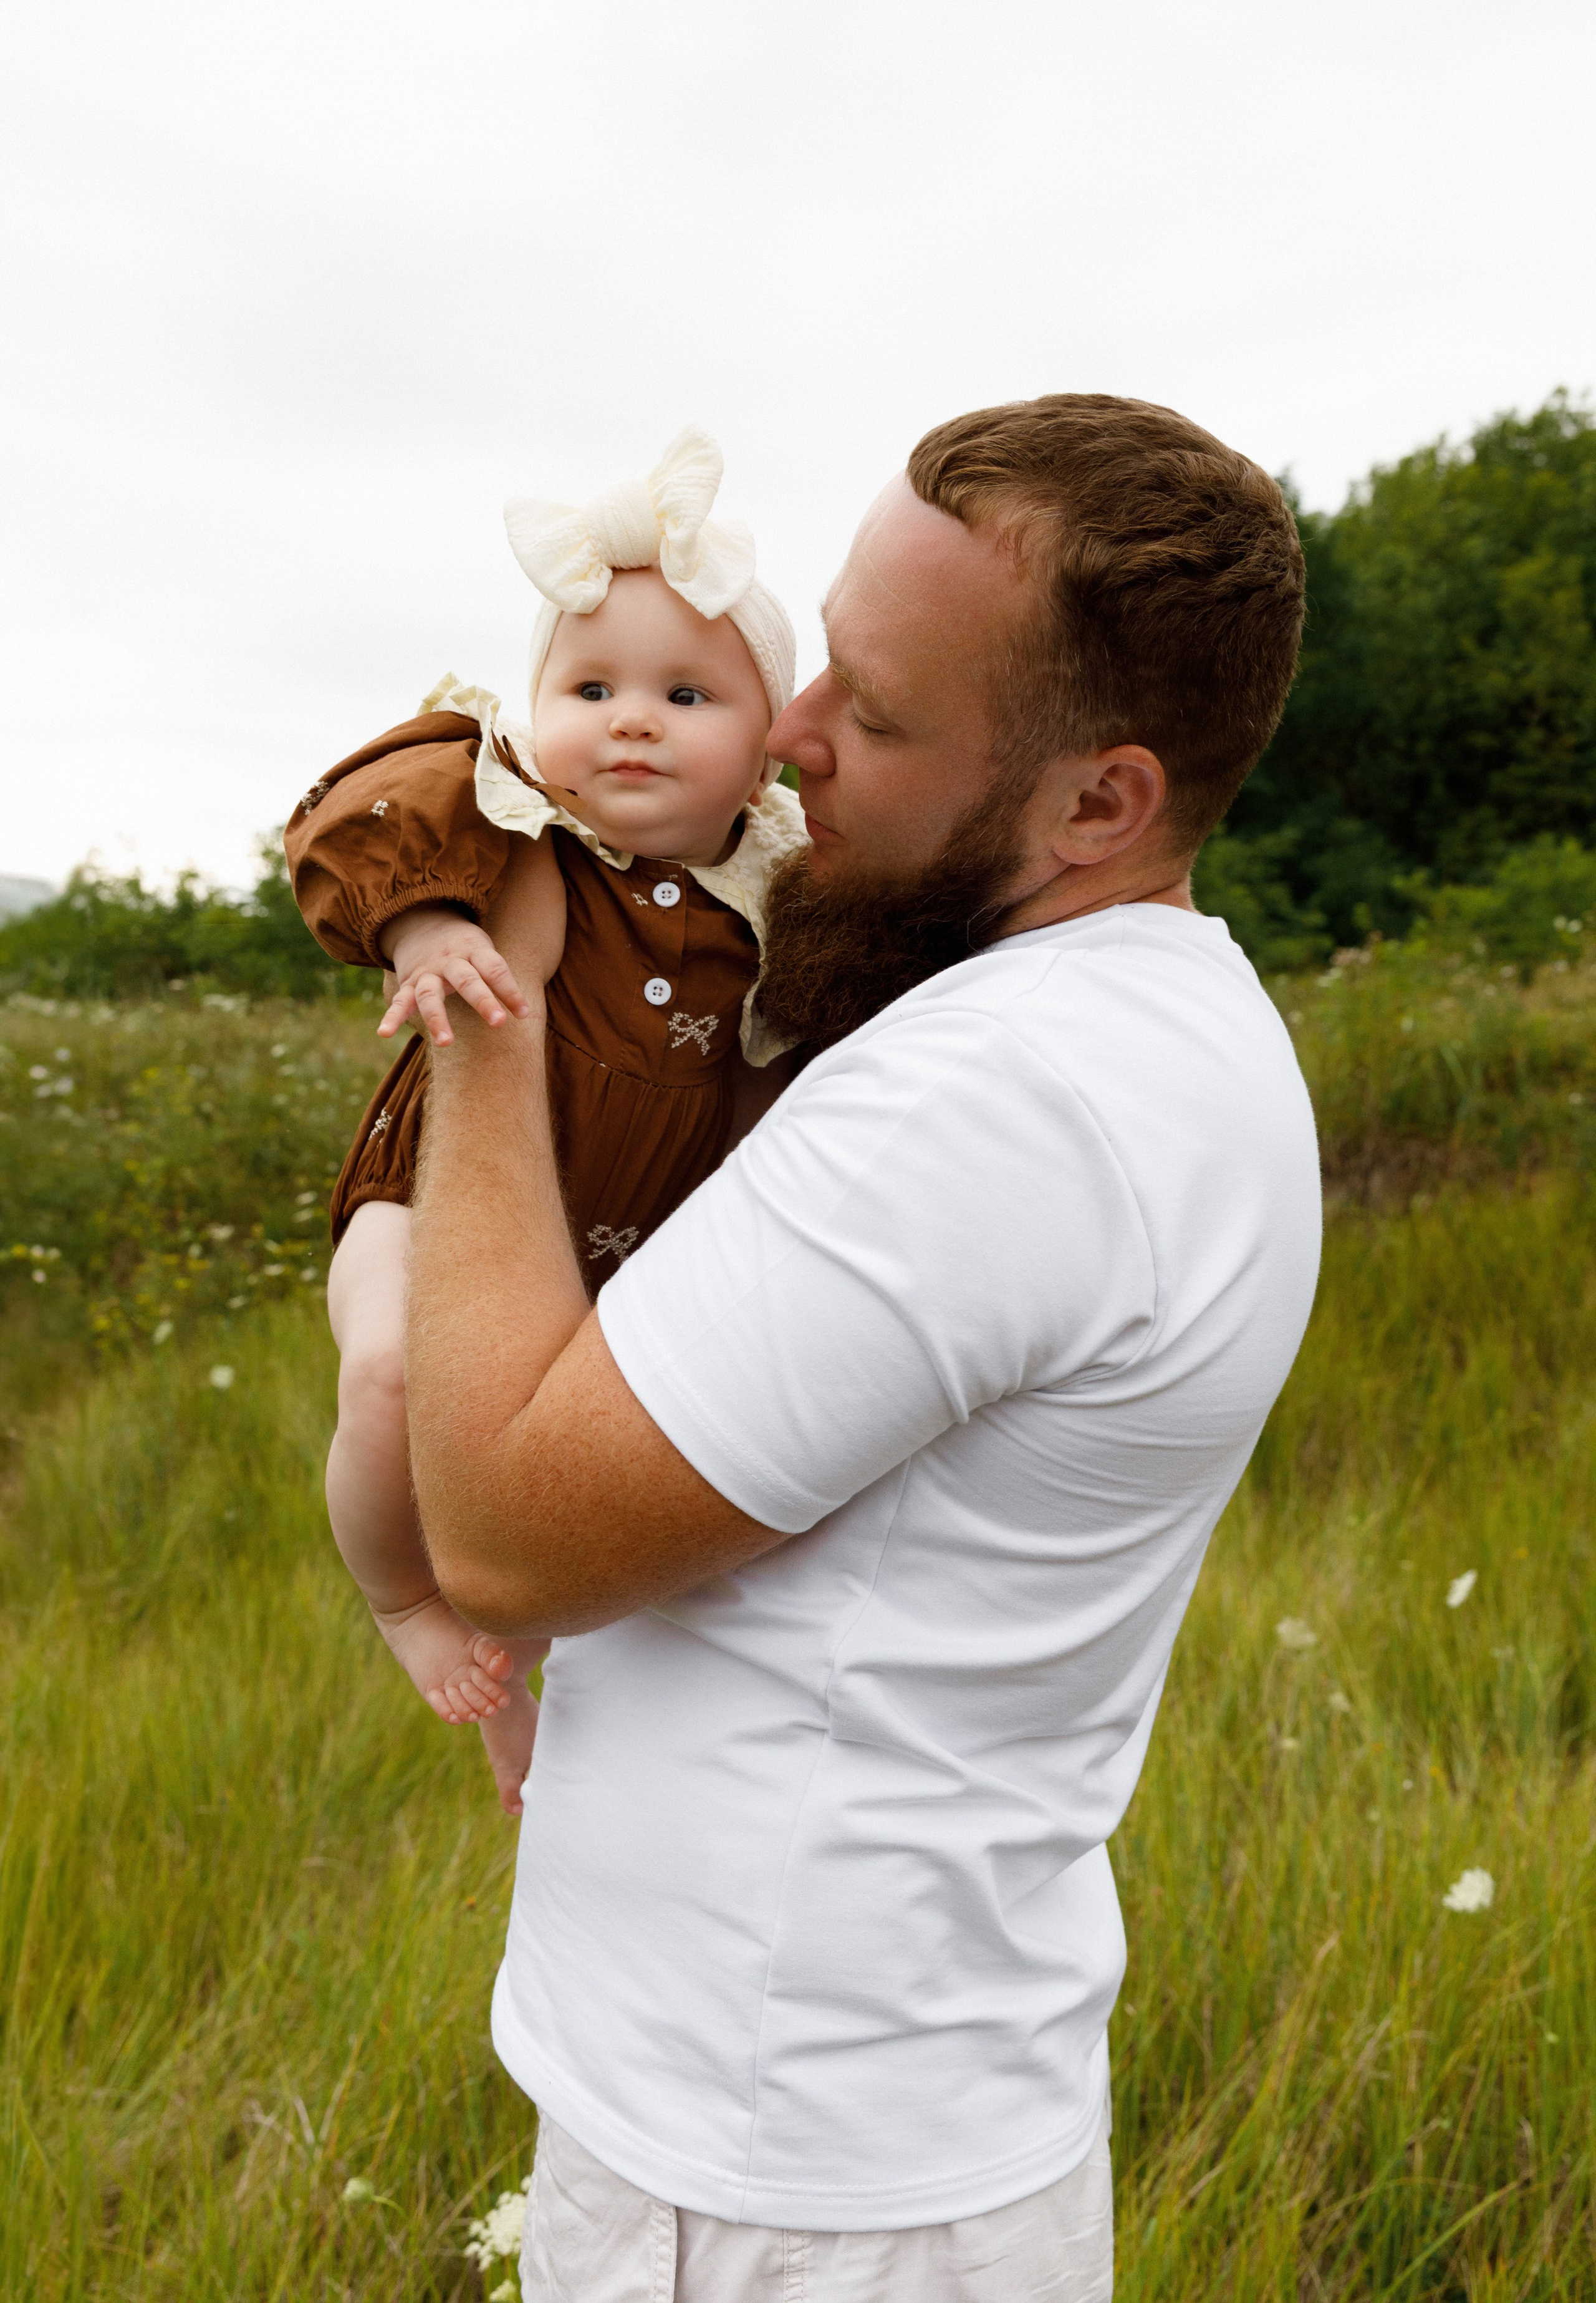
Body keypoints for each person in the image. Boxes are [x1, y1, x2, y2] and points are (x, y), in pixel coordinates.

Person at [405, 394, 1324, 2301]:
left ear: (1101, 801)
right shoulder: (1168, 1023)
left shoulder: (990, 1097)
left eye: (882, 712)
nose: (794, 730)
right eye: (823, 652)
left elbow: (496, 1527)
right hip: (881, 2128)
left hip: (779, 2189)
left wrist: (501, 1010)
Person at [284, 428, 805, 1812]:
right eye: (589, 685)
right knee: (393, 1374)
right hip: (425, 1193)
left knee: (562, 1498)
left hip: (625, 1241)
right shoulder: (510, 816)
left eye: (685, 693)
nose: (629, 717)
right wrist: (431, 920)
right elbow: (355, 816)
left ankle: (518, 1705)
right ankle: (401, 1598)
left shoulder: (779, 885)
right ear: (535, 705)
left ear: (765, 751)